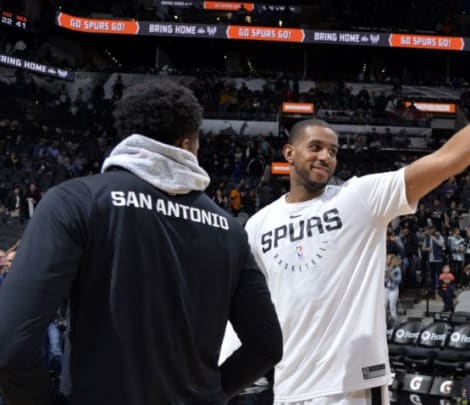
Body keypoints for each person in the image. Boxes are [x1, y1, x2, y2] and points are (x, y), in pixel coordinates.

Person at [235, 37, 470, 404]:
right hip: (289, 386)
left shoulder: (358, 197)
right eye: (315, 147)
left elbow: (450, 158)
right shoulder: (258, 224)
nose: (325, 157)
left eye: (333, 150)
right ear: (289, 152)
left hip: (351, 387)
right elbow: (246, 310)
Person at [0, 80, 283, 404]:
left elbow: (9, 345)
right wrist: (213, 394)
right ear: (189, 142)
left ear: (128, 137)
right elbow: (267, 345)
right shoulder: (230, 229)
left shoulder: (74, 200)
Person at [385, 254, 403, 320]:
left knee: (392, 306)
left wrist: (390, 276)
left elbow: (398, 280)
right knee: (383, 305)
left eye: (388, 258)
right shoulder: (385, 267)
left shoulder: (397, 269)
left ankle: (394, 321)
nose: (387, 260)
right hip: (386, 288)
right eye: (387, 258)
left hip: (393, 289)